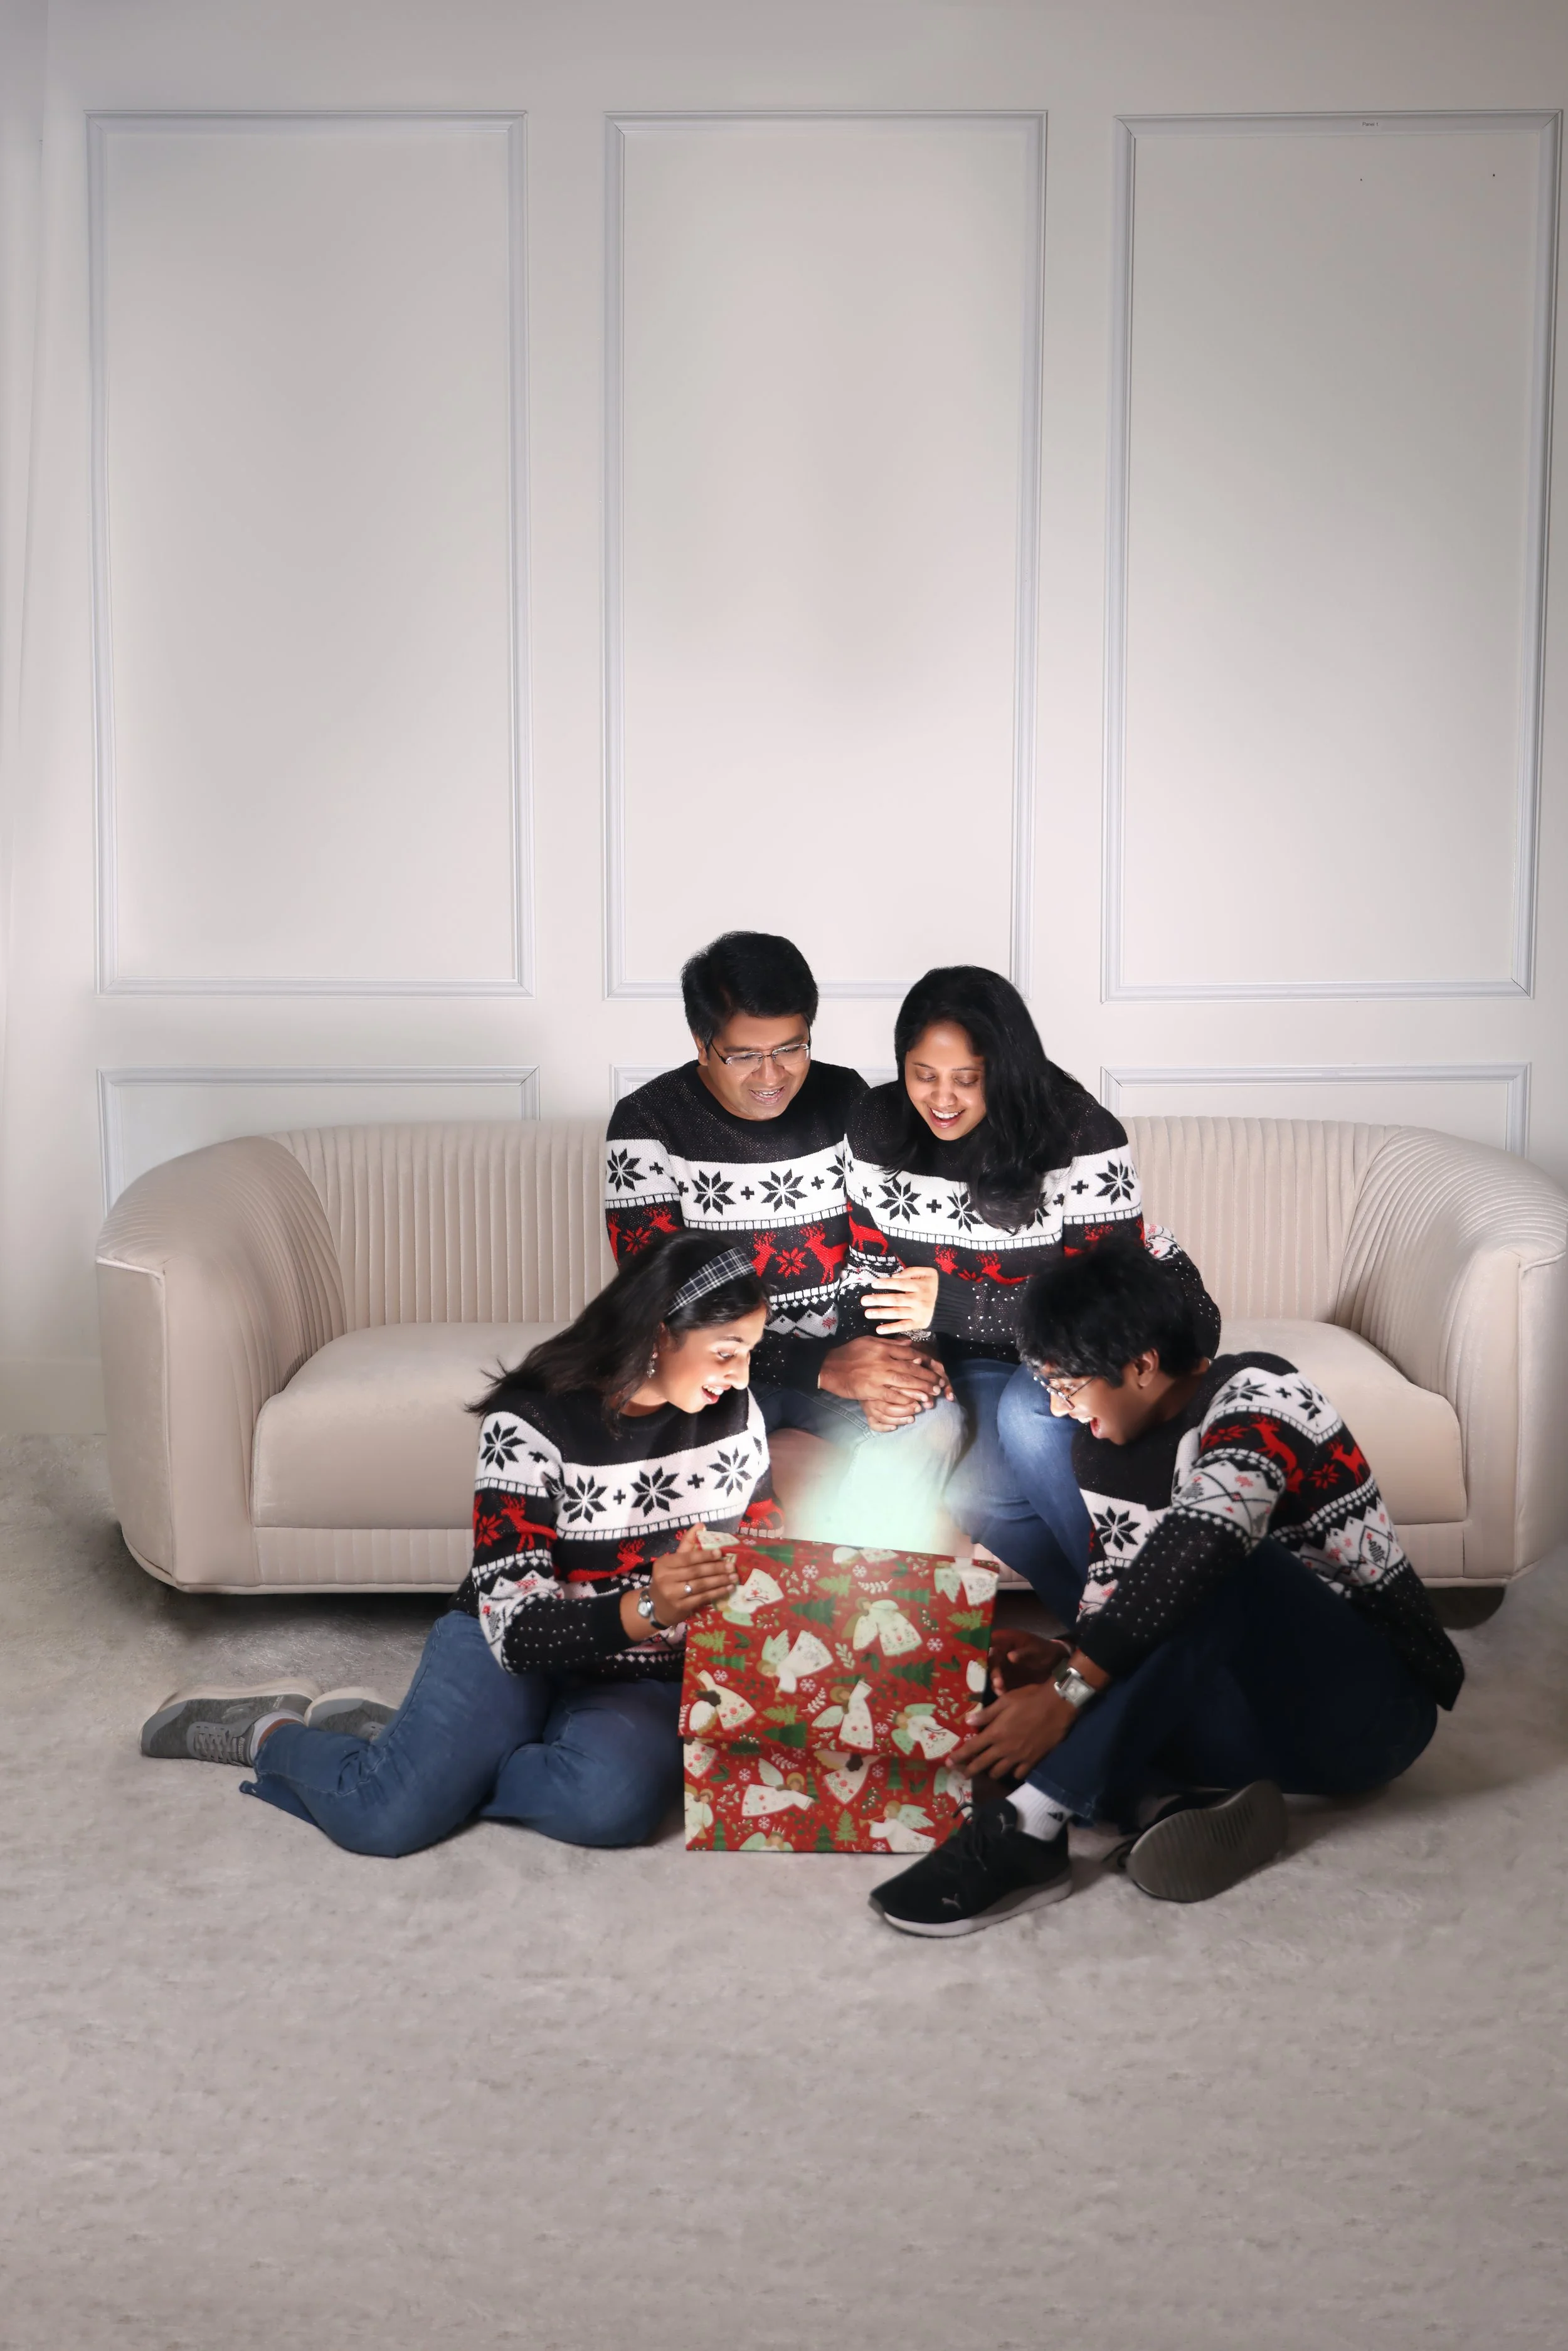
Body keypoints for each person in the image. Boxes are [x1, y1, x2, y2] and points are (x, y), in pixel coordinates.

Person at [868, 1245, 1464, 1935]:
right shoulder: (1104, 1448)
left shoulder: (1264, 1395)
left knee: (1217, 1565)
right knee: (1019, 1695)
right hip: (1256, 1718)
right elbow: (1122, 1608)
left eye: (1069, 1387)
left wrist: (1069, 1693)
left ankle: (1033, 1827)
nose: (1062, 1409)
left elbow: (1205, 1546)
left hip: (1368, 1715)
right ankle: (1161, 1801)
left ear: (1142, 1365)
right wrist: (1057, 1659)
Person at [139, 1236, 780, 1857]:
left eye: (750, 1350)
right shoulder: (532, 1420)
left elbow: (767, 1550)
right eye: (727, 1351)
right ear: (661, 1332)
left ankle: (415, 1751)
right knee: (382, 1817)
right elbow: (517, 1631)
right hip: (513, 1645)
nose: (741, 1373)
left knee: (610, 1805)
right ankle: (274, 1732)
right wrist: (651, 1605)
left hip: (642, 1668)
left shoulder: (736, 1415)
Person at [832, 964, 1217, 1583]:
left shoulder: (1080, 1132)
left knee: (1027, 1419)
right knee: (967, 1483)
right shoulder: (876, 1125)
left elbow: (1106, 1308)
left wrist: (953, 1304)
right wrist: (903, 1367)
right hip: (985, 1355)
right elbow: (871, 1278)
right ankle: (1098, 1648)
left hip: (1104, 1338)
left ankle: (1136, 1619)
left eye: (968, 1079)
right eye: (922, 1075)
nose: (941, 1098)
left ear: (1004, 1072)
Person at [605, 928, 948, 1443]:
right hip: (717, 1378)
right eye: (744, 1055)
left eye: (790, 1048)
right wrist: (819, 1366)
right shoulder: (648, 1124)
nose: (771, 1076)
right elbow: (662, 1305)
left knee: (933, 1422)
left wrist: (898, 1358)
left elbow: (883, 1255)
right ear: (702, 1044)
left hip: (847, 1368)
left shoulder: (847, 1099)